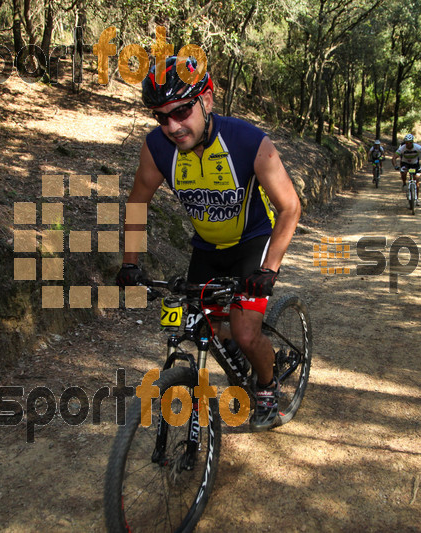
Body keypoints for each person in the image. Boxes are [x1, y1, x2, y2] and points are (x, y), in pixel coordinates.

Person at [116, 57, 302, 432]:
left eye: (182, 111)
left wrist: (269, 269)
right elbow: (138, 201)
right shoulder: (157, 148)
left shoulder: (248, 142)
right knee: (208, 327)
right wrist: (130, 262)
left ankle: (266, 389)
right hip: (206, 249)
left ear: (208, 100)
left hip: (252, 244)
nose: (172, 125)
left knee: (247, 332)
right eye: (161, 117)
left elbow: (290, 207)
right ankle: (240, 356)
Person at [392, 133, 421, 205]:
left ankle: (417, 199)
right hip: (405, 164)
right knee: (403, 172)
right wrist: (395, 166)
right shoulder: (402, 148)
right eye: (407, 142)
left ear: (412, 142)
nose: (408, 144)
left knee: (417, 181)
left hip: (414, 164)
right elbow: (394, 157)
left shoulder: (417, 147)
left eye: (410, 142)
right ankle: (404, 183)